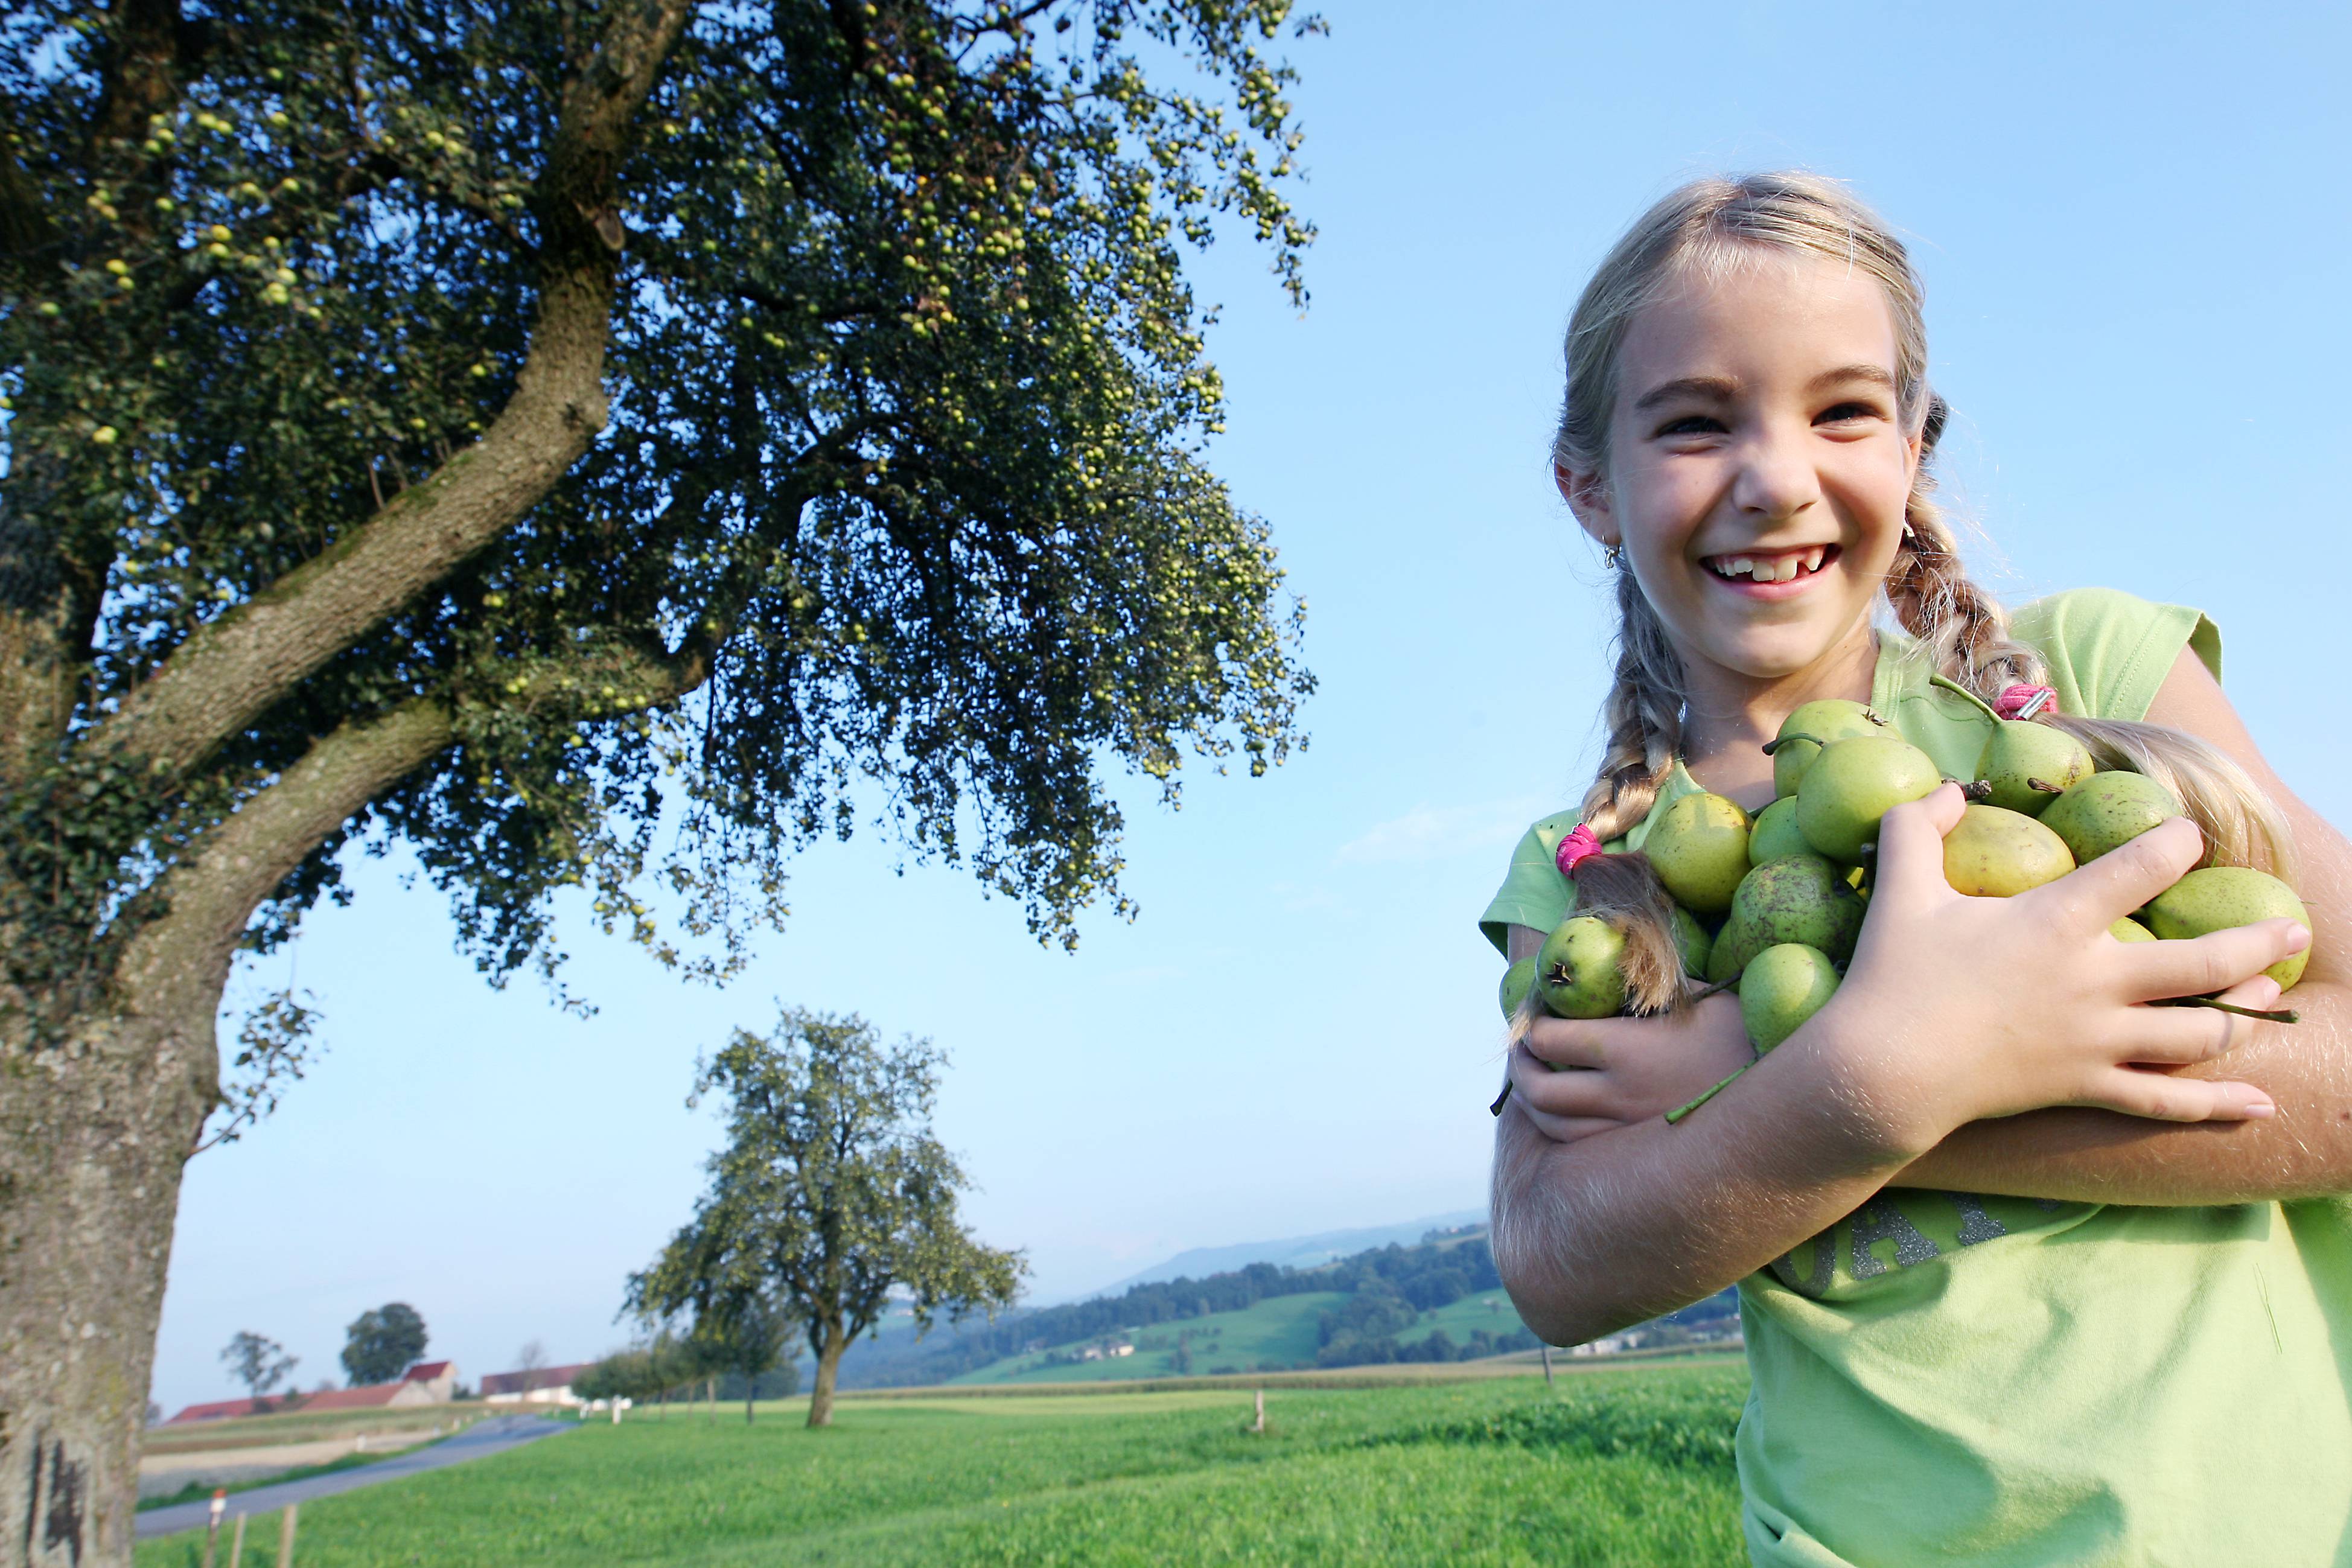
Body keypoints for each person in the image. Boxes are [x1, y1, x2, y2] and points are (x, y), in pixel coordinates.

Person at [1483, 173, 2352, 1567]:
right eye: (1695, 422)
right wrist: (1886, 1077)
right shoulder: (1595, 871)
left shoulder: (2084, 683)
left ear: (1911, 447)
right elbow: (1557, 1261)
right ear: (1588, 487)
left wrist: (1852, 1084)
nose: (1774, 479)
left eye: (1840, 410)